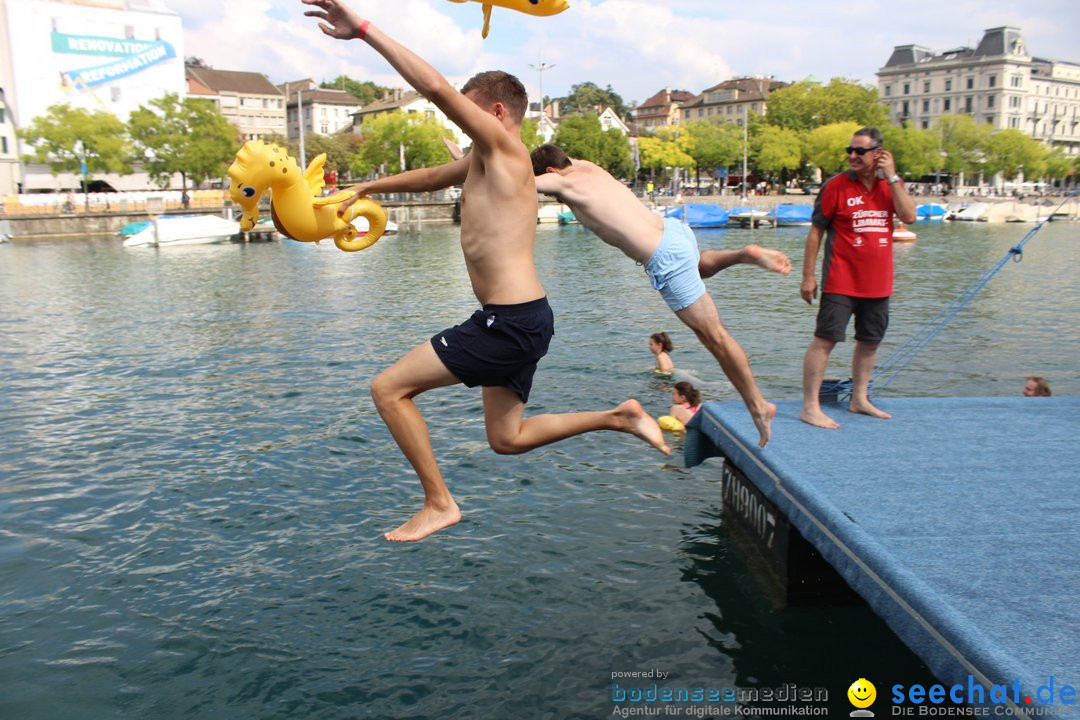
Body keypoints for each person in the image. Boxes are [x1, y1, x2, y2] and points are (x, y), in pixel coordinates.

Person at [303, 0, 668, 542]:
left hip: (511, 320)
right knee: (507, 438)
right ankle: (619, 417)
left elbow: (437, 91)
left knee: (388, 390)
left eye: (469, 114)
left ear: (496, 113)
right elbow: (430, 176)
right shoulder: (482, 157)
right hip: (520, 317)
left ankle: (439, 502)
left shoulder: (505, 148)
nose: (461, 123)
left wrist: (365, 31)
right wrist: (365, 188)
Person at [530, 144, 790, 448]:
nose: (551, 196)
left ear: (550, 173)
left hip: (663, 255)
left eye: (548, 189)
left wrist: (468, 170)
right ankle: (742, 254)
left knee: (715, 338)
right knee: (697, 270)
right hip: (675, 232)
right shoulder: (588, 167)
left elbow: (513, 176)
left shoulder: (563, 181)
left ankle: (758, 406)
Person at [799, 127, 917, 429]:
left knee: (870, 342)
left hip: (879, 282)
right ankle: (810, 407)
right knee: (824, 340)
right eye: (849, 150)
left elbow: (910, 217)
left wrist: (891, 177)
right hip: (841, 280)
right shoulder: (835, 186)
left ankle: (859, 399)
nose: (852, 156)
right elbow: (816, 232)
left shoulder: (892, 185)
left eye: (860, 151)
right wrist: (808, 276)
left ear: (878, 154)